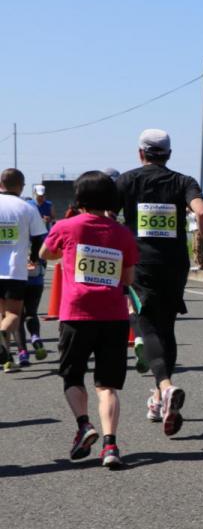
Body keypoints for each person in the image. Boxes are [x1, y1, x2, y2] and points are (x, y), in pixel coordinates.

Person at [115, 128, 203, 435]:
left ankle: (166, 386)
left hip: (140, 262)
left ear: (140, 153)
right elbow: (202, 211)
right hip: (174, 263)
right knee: (167, 326)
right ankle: (160, 398)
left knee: (146, 326)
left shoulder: (127, 180)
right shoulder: (183, 182)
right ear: (169, 154)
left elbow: (107, 215)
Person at [40, 172, 139, 468]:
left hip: (77, 314)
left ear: (79, 198)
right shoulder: (122, 233)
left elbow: (46, 253)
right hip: (113, 315)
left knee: (73, 375)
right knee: (107, 385)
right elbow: (129, 278)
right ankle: (111, 445)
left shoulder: (66, 226)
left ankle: (84, 424)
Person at [0, 168, 49, 373]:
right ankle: (3, 344)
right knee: (13, 315)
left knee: (2, 313)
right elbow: (39, 238)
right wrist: (34, 258)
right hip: (14, 269)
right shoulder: (27, 208)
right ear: (21, 185)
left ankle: (6, 359)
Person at [15, 257, 48, 365]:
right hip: (36, 279)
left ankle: (23, 352)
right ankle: (35, 336)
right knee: (31, 313)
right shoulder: (40, 239)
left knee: (17, 317)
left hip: (15, 279)